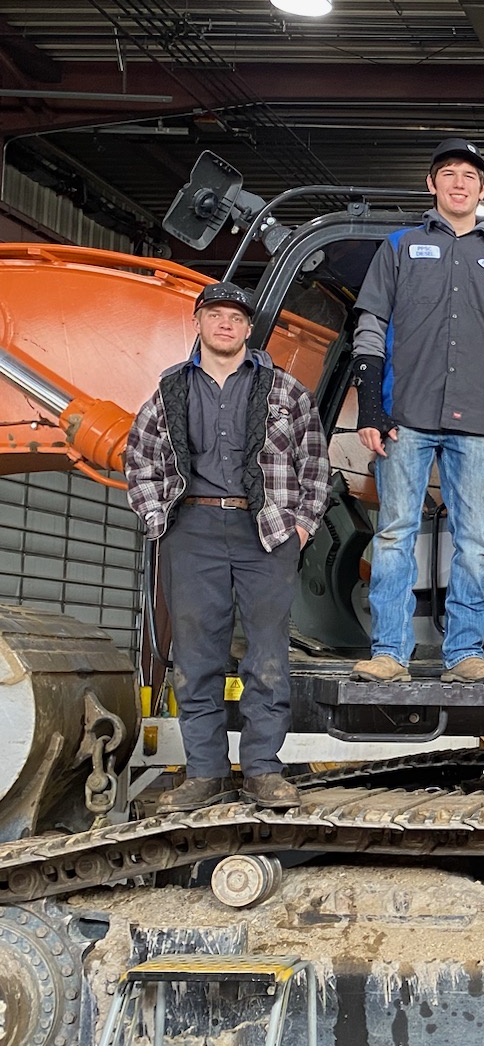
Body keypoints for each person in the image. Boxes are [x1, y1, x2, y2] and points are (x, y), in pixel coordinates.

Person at [125, 281, 331, 813]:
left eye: (235, 318)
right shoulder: (170, 389)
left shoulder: (285, 389)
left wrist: (301, 526)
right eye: (215, 315)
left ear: (246, 328)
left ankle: (263, 770)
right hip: (190, 532)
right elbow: (139, 459)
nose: (225, 325)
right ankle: (206, 773)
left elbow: (315, 462)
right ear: (198, 322)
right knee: (196, 659)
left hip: (264, 532)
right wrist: (158, 519)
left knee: (267, 657)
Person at [347, 137, 484, 685]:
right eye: (448, 172)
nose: (459, 182)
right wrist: (371, 410)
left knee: (477, 541)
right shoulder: (398, 247)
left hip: (478, 424)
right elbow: (370, 329)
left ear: (483, 189)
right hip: (407, 417)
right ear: (432, 185)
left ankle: (465, 652)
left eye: (469, 174)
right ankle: (390, 653)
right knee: (395, 534)